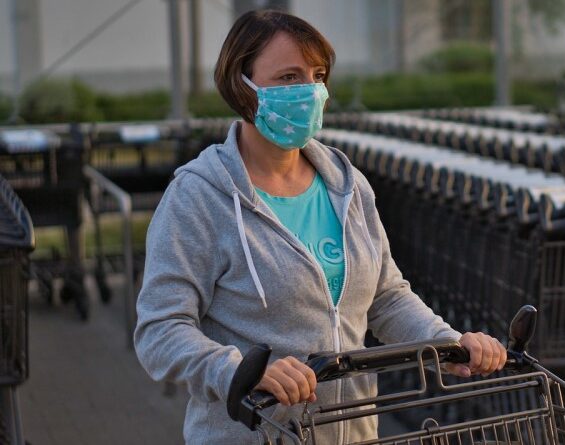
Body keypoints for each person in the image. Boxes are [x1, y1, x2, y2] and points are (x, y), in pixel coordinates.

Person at [134, 9, 507, 444]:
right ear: (243, 85)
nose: (309, 91)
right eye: (289, 77)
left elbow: (386, 298)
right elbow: (160, 329)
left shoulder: (346, 185)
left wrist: (447, 343)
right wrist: (237, 371)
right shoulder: (199, 197)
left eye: (317, 75)